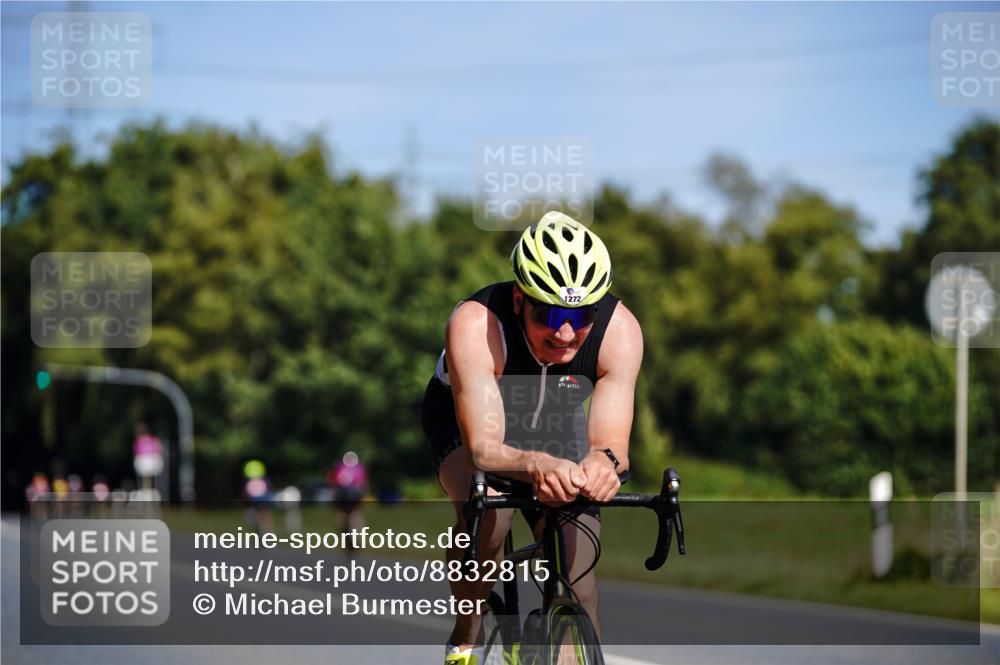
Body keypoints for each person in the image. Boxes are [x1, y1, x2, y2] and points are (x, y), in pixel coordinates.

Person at [422, 211, 643, 664]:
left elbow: (610, 445)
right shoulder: (476, 325)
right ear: (521, 299)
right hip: (471, 426)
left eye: (581, 315)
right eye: (551, 314)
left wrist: (602, 467)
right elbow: (485, 448)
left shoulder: (620, 331)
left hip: (554, 422)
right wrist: (537, 465)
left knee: (580, 575)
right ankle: (467, 634)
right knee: (490, 515)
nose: (566, 333)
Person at [328, 451, 369, 549]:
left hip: (343, 498)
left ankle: (347, 538)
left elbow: (333, 483)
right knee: (355, 515)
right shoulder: (359, 468)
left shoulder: (339, 467)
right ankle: (357, 539)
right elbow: (363, 484)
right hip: (353, 497)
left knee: (343, 516)